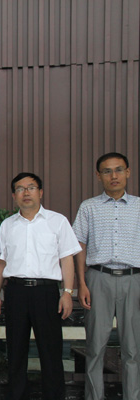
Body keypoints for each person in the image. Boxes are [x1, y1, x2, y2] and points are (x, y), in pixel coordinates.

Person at [0, 172, 81, 400]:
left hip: (46, 292)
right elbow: (2, 262)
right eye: (20, 189)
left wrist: (67, 293)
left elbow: (66, 259)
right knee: (16, 351)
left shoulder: (57, 221)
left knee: (51, 351)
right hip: (16, 292)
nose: (26, 192)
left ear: (40, 192)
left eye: (31, 187)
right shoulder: (8, 225)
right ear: (14, 195)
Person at [72, 152, 140, 400]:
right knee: (95, 347)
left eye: (119, 170)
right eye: (107, 171)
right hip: (98, 279)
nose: (114, 176)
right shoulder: (89, 207)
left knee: (133, 349)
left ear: (128, 172)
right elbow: (79, 245)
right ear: (98, 175)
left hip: (134, 279)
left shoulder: (139, 206)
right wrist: (81, 282)